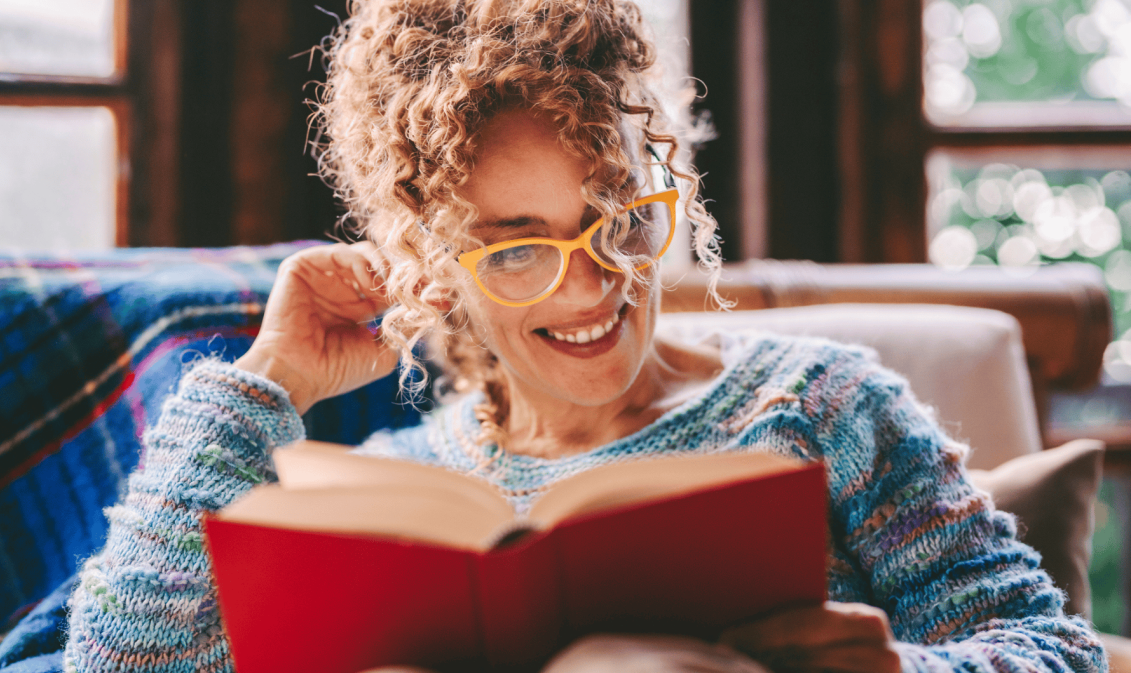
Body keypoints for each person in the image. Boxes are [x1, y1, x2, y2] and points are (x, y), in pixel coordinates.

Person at [59, 1, 1108, 672]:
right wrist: (269, 380)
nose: (595, 282)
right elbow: (117, 668)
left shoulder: (824, 403)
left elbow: (1052, 649)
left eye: (618, 216)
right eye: (517, 250)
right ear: (435, 262)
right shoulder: (396, 496)